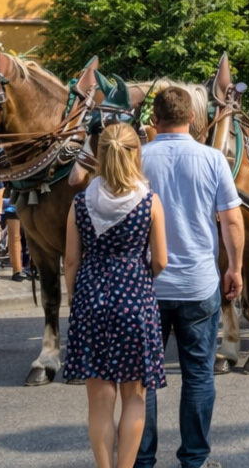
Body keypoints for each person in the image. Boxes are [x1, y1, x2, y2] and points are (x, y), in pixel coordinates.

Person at [136, 86, 245, 468]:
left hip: (146, 285)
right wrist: (234, 268)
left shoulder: (138, 159)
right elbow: (231, 219)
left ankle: (142, 459)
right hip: (198, 283)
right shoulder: (212, 159)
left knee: (144, 379)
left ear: (155, 118)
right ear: (193, 118)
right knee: (198, 376)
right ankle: (194, 460)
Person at [66, 124, 169, 468]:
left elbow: (71, 260)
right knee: (134, 395)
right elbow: (160, 260)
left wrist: (74, 297)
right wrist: (138, 276)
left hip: (90, 297)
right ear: (135, 154)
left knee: (99, 400)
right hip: (135, 299)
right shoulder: (150, 202)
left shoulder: (81, 203)